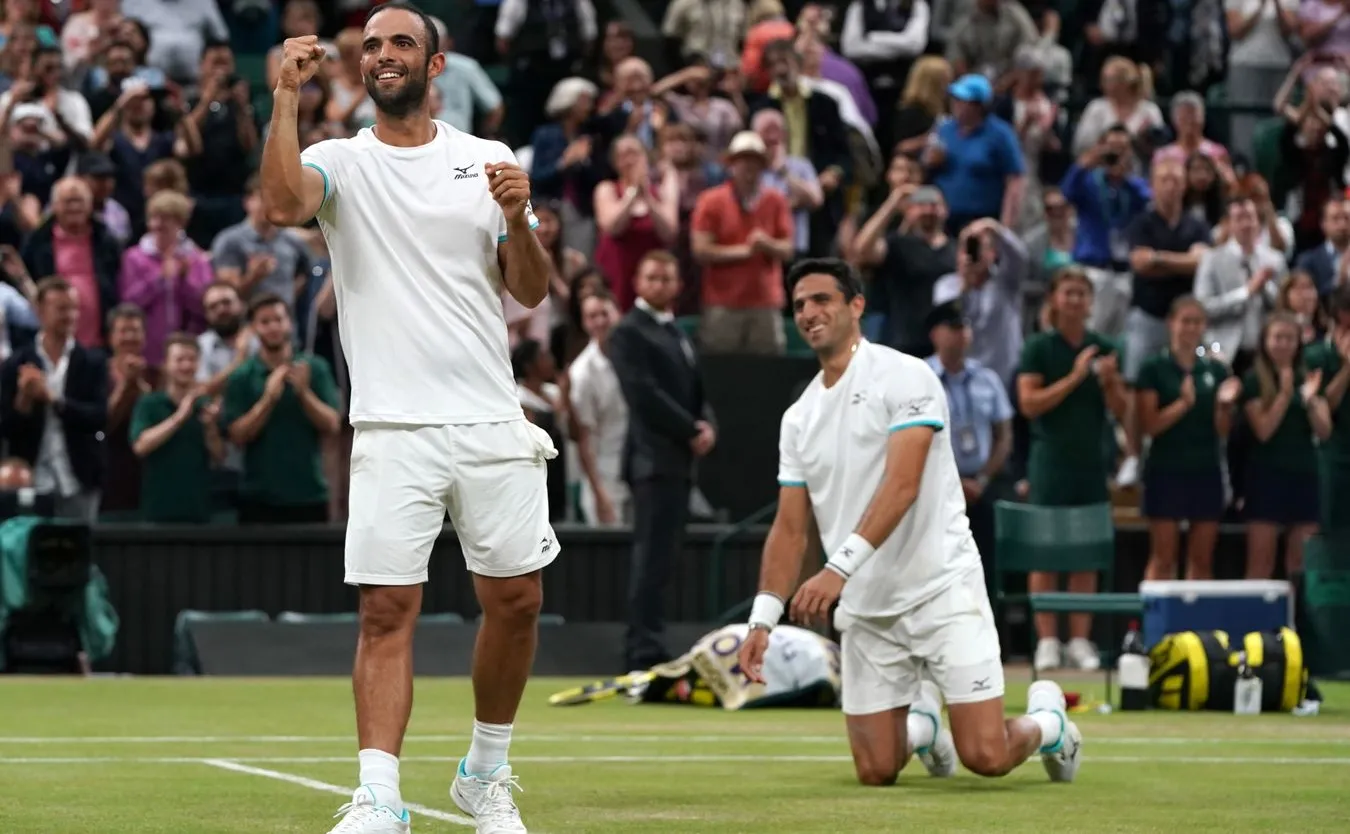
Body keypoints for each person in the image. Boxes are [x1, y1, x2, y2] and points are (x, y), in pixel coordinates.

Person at [258, 3, 558, 832]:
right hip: (392, 426)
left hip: (491, 419)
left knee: (518, 601)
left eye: (400, 43)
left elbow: (530, 289)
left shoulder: (490, 158)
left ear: (434, 65)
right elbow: (282, 204)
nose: (381, 54)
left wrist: (518, 219)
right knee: (386, 611)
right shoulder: (337, 161)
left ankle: (484, 774)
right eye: (370, 46)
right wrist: (284, 96)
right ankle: (380, 798)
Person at [739, 257, 1082, 790]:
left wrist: (836, 570)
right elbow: (789, 529)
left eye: (822, 299)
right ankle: (924, 725)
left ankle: (1050, 722)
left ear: (857, 305)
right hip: (868, 609)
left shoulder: (905, 375)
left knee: (986, 755)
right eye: (799, 304)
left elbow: (903, 485)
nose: (808, 312)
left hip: (941, 588)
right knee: (876, 771)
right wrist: (762, 619)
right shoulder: (799, 418)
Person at [1016, 267, 1129, 672]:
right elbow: (1029, 404)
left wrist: (1110, 383)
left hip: (1091, 463)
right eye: (1069, 293)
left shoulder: (1105, 346)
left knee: (1085, 554)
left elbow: (1122, 410)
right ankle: (1047, 640)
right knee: (1045, 553)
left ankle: (1080, 639)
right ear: (1054, 298)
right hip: (1050, 463)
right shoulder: (1039, 347)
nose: (1076, 300)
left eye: (1083, 293)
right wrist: (1075, 377)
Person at [609, 251, 715, 671]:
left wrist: (706, 424)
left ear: (677, 285)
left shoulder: (676, 331)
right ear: (638, 282)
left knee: (664, 559)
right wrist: (691, 429)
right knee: (651, 558)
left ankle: (651, 642)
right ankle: (641, 649)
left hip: (676, 461)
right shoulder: (628, 331)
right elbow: (643, 394)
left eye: (666, 278)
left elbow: (697, 389)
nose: (659, 284)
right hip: (652, 460)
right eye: (652, 277)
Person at [1134, 297, 1242, 580]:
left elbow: (1223, 431)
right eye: (1185, 321)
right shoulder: (1154, 367)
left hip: (1205, 468)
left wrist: (1224, 407)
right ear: (1171, 323)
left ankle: (1199, 610)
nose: (1191, 328)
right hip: (1165, 469)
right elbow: (1150, 425)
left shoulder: (1215, 369)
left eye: (1197, 322)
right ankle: (1155, 610)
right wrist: (1183, 405)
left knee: (1202, 559)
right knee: (1163, 557)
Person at [1240, 312, 1333, 579]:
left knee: (1301, 565)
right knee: (1261, 563)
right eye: (1277, 338)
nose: (1283, 344)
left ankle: (1298, 608)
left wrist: (1311, 401)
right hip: (1266, 476)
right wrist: (1284, 394)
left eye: (1289, 338)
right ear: (1265, 341)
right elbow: (1264, 431)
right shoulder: (1254, 379)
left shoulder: (1310, 376)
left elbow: (1325, 431)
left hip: (1304, 473)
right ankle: (1255, 609)